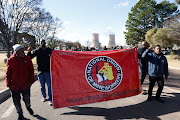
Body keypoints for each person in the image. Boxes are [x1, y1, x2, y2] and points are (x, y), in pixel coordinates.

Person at [6, 44, 35, 120]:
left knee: (27, 99)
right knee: (16, 102)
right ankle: (20, 114)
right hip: (14, 86)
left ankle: (28, 107)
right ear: (16, 52)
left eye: (23, 50)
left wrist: (31, 81)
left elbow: (31, 71)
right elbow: (8, 73)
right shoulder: (11, 60)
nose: (23, 52)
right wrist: (8, 84)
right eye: (20, 50)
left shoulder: (27, 59)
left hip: (25, 85)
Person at [27, 40, 53, 106]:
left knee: (49, 86)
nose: (43, 44)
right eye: (42, 43)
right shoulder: (37, 50)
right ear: (40, 44)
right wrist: (29, 52)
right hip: (40, 72)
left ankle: (50, 99)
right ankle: (44, 97)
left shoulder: (49, 50)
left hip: (48, 71)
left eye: (44, 43)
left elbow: (56, 55)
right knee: (42, 86)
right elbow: (30, 57)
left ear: (45, 43)